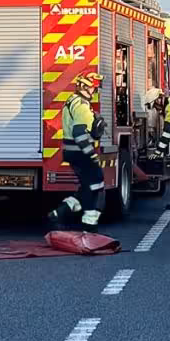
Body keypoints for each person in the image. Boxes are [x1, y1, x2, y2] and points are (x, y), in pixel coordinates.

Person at [48, 71, 108, 228]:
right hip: (80, 153)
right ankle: (89, 224)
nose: (94, 91)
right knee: (96, 186)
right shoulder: (81, 106)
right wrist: (91, 153)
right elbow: (79, 133)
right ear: (83, 87)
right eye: (93, 88)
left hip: (72, 152)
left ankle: (60, 213)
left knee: (87, 185)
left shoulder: (72, 101)